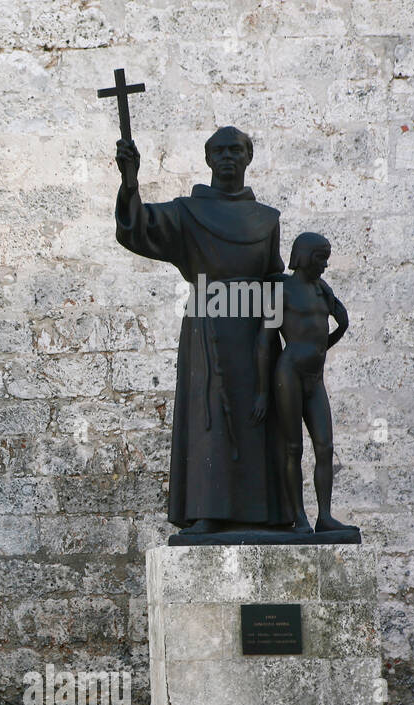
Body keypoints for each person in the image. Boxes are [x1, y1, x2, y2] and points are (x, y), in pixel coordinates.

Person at [115, 126, 290, 533]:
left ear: (249, 158)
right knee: (209, 416)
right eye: (220, 151)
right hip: (208, 322)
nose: (228, 157)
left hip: (257, 330)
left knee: (260, 418)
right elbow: (137, 228)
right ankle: (207, 511)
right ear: (208, 159)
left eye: (237, 150)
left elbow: (274, 279)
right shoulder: (186, 213)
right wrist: (129, 182)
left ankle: (270, 515)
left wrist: (281, 333)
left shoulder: (267, 220)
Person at [255, 232, 357, 534]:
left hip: (315, 378)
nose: (325, 265)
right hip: (289, 374)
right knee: (293, 447)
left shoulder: (321, 289)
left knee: (325, 446)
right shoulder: (282, 293)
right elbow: (264, 343)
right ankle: (298, 516)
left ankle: (324, 515)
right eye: (321, 258)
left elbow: (342, 320)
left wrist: (326, 343)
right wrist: (262, 392)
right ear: (303, 257)